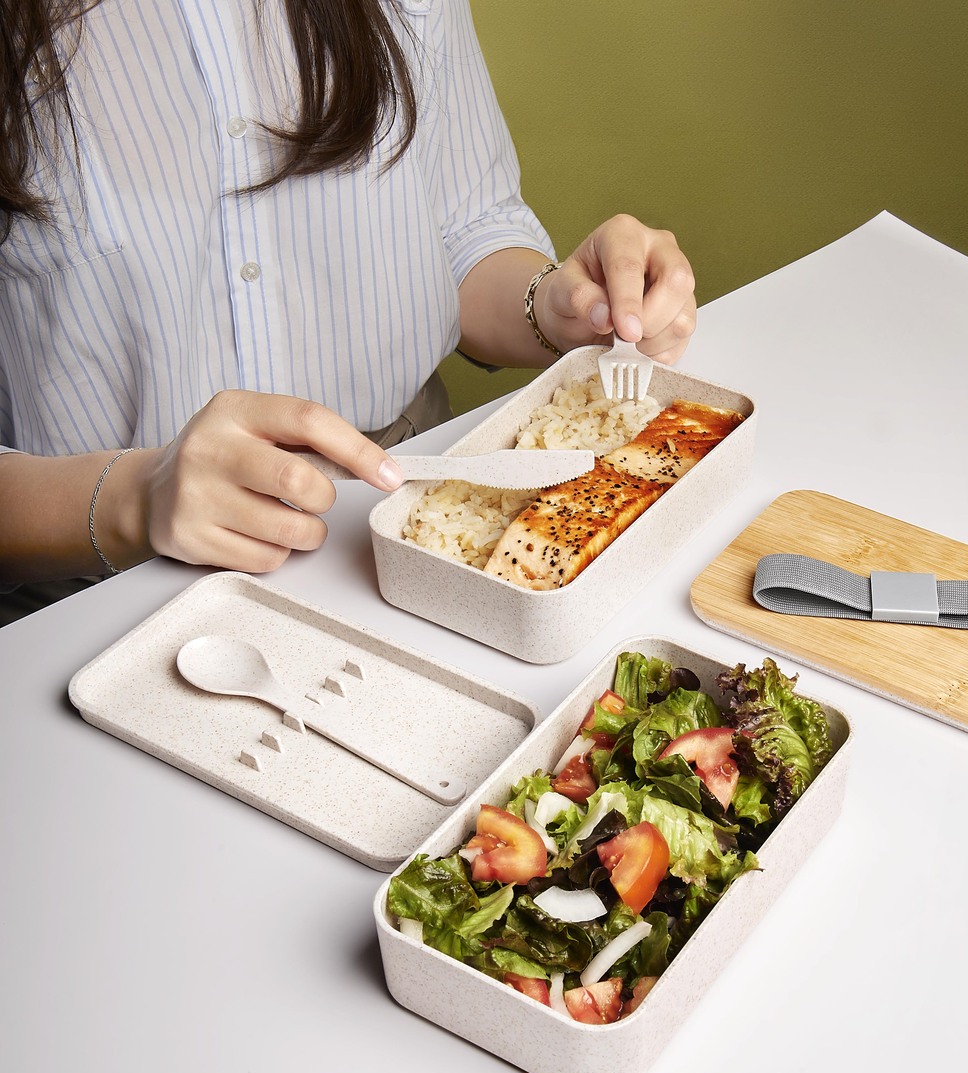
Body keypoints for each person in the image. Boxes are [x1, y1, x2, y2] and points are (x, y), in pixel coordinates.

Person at [0, 0, 697, 624]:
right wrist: (134, 502)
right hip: (104, 601)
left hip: (412, 522)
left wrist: (561, 306)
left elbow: (462, 228)